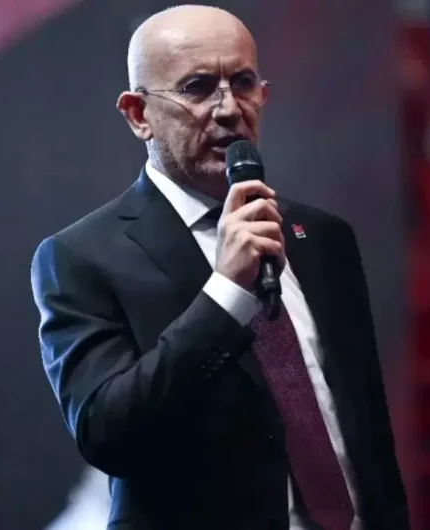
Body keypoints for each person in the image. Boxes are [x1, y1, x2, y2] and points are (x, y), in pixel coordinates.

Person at [31, 5, 409, 530]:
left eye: (243, 83)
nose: (229, 109)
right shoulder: (82, 257)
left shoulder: (322, 238)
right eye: (198, 88)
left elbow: (368, 432)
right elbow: (106, 433)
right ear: (138, 114)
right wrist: (226, 293)